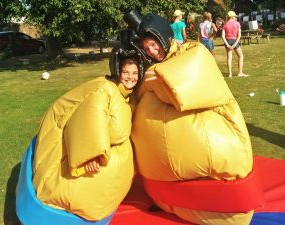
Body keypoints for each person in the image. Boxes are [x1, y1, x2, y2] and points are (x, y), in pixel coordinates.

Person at [124, 9, 259, 225]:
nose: (152, 51)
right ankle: (172, 196)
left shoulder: (192, 51)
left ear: (164, 36)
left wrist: (157, 80)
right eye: (146, 48)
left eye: (154, 43)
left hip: (223, 181)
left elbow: (190, 81)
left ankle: (222, 200)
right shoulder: (150, 69)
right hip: (161, 191)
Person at [31, 31, 143, 221]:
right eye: (125, 72)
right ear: (117, 71)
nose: (130, 77)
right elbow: (88, 116)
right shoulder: (105, 89)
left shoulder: (128, 95)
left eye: (134, 73)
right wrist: (88, 155)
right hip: (87, 150)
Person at [222, 11, 249, 77]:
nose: (235, 18)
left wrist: (227, 44)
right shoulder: (237, 23)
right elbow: (239, 35)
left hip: (227, 41)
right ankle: (240, 73)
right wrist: (235, 44)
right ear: (232, 17)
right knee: (241, 56)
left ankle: (230, 74)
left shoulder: (225, 24)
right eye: (234, 17)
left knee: (229, 57)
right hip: (234, 40)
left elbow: (223, 36)